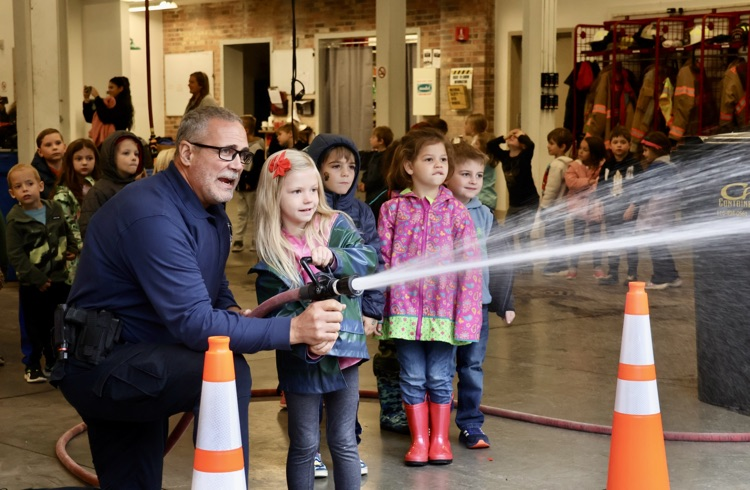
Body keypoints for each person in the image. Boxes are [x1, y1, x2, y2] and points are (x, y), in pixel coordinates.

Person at [51, 106, 344, 489]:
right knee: (224, 370)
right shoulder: (152, 215)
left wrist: (232, 311)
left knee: (132, 481)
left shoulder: (209, 210)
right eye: (226, 152)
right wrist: (294, 329)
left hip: (143, 355)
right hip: (106, 365)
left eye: (243, 155)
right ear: (187, 154)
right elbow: (194, 324)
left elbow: (212, 281)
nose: (238, 165)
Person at [250, 149, 377, 488]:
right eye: (296, 191)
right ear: (273, 195)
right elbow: (275, 309)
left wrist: (336, 258)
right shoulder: (272, 252)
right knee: (304, 444)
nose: (308, 200)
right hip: (301, 363)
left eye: (313, 190)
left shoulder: (334, 225)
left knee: (344, 440)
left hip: (345, 354)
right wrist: (310, 341)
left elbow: (368, 258)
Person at [378, 127, 482, 466]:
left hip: (444, 313)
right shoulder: (392, 210)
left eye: (442, 159)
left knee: (439, 377)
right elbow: (382, 261)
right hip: (404, 312)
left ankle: (440, 441)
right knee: (410, 377)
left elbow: (470, 268)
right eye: (429, 159)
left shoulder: (457, 213)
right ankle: (419, 441)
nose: (438, 165)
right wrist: (378, 308)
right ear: (409, 166)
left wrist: (466, 317)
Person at [305, 133, 386, 477]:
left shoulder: (361, 211)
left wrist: (371, 308)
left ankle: (347, 446)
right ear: (316, 171)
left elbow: (374, 261)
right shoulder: (306, 207)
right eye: (335, 165)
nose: (346, 173)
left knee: (345, 386)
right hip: (311, 316)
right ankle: (311, 450)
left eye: (352, 166)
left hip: (350, 316)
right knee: (310, 384)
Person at [445, 141, 515, 449]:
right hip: (443, 307)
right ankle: (435, 424)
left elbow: (499, 259)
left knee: (471, 366)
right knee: (442, 369)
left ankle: (471, 424)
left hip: (477, 306)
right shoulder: (438, 211)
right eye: (465, 174)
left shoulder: (485, 215)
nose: (474, 181)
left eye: (479, 175)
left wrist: (504, 301)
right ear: (445, 175)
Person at [5, 163, 77, 383]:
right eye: (19, 186)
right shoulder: (15, 220)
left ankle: (56, 360)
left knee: (59, 323)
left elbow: (66, 228)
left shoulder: (54, 209)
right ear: (12, 193)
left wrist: (73, 248)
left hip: (59, 279)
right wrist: (36, 278)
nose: (25, 189)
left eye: (30, 184)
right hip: (33, 285)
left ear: (40, 185)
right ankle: (33, 364)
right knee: (35, 326)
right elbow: (16, 255)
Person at [627, 131, 682, 290]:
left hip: (655, 213)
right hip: (664, 213)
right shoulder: (672, 165)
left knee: (656, 246)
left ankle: (660, 278)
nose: (644, 154)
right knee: (660, 244)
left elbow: (645, 189)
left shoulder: (657, 167)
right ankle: (672, 276)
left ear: (656, 150)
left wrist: (633, 205)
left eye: (645, 150)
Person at [487, 128, 538, 272]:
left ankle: (526, 265)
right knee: (507, 233)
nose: (513, 136)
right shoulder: (504, 156)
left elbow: (531, 145)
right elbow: (491, 145)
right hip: (514, 204)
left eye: (517, 136)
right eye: (512, 134)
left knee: (523, 235)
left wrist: (522, 136)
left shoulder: (525, 155)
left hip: (529, 202)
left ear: (522, 143)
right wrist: (505, 137)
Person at [78, 130, 144, 240]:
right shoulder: (99, 191)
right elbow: (88, 229)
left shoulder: (139, 188)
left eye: (136, 154)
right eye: (126, 153)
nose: (134, 158)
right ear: (111, 156)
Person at [52, 139, 102, 283]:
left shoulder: (100, 185)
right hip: (76, 251)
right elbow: (66, 222)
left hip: (98, 245)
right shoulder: (63, 192)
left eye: (89, 158)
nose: (84, 162)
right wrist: (78, 246)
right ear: (70, 161)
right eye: (79, 159)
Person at [596, 126, 641, 285]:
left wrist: (632, 206)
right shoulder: (607, 165)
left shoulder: (635, 165)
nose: (619, 145)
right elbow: (600, 187)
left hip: (628, 209)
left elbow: (640, 187)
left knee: (629, 242)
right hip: (611, 209)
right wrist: (600, 206)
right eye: (615, 142)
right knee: (612, 242)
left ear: (629, 144)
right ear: (610, 145)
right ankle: (613, 273)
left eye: (623, 142)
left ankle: (631, 274)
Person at [564, 135, 606, 280]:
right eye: (580, 148)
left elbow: (601, 183)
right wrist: (588, 181)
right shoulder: (574, 166)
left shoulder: (602, 166)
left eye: (585, 150)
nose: (580, 152)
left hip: (595, 208)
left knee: (596, 239)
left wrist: (592, 184)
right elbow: (571, 183)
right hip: (579, 208)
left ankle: (597, 266)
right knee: (577, 238)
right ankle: (573, 266)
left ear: (594, 152)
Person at [539, 128, 574, 276]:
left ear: (563, 146)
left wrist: (544, 207)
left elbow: (551, 189)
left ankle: (556, 264)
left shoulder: (557, 165)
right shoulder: (569, 163)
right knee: (559, 235)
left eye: (551, 143)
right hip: (562, 208)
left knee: (552, 236)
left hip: (553, 208)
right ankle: (559, 262)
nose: (548, 146)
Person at [232, 114, 265, 253]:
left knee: (253, 214)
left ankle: (254, 240)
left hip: (252, 188)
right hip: (240, 187)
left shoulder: (256, 147)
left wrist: (249, 182)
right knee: (241, 213)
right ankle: (238, 240)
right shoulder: (239, 147)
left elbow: (257, 169)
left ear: (245, 130)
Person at [358, 125, 394, 220]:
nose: (370, 139)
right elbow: (368, 171)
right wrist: (363, 181)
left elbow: (379, 177)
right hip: (370, 192)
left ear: (381, 141)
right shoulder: (374, 155)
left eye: (373, 137)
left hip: (378, 193)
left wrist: (367, 185)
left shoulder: (386, 158)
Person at [31, 128, 67, 199]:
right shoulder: (33, 175)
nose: (54, 147)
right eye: (48, 145)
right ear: (40, 152)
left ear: (64, 147)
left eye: (58, 143)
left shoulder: (74, 169)